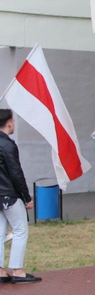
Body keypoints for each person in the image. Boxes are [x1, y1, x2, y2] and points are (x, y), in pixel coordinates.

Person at [0, 109, 40, 284]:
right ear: (9, 122)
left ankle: (1, 271)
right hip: (9, 194)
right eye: (13, 121)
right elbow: (16, 173)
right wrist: (26, 196)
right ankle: (17, 270)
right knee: (20, 230)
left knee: (0, 233)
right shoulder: (8, 145)